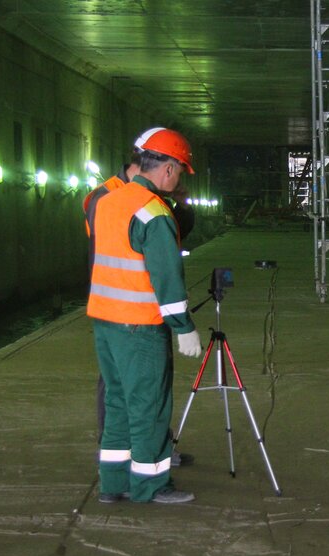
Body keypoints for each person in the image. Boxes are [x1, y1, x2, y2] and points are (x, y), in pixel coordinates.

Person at [87, 128, 202, 504]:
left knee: (118, 402)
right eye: (180, 170)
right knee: (149, 406)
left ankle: (114, 483)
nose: (179, 178)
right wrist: (184, 328)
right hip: (139, 327)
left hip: (105, 322)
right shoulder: (154, 213)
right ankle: (151, 485)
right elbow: (167, 280)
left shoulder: (107, 201)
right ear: (167, 168)